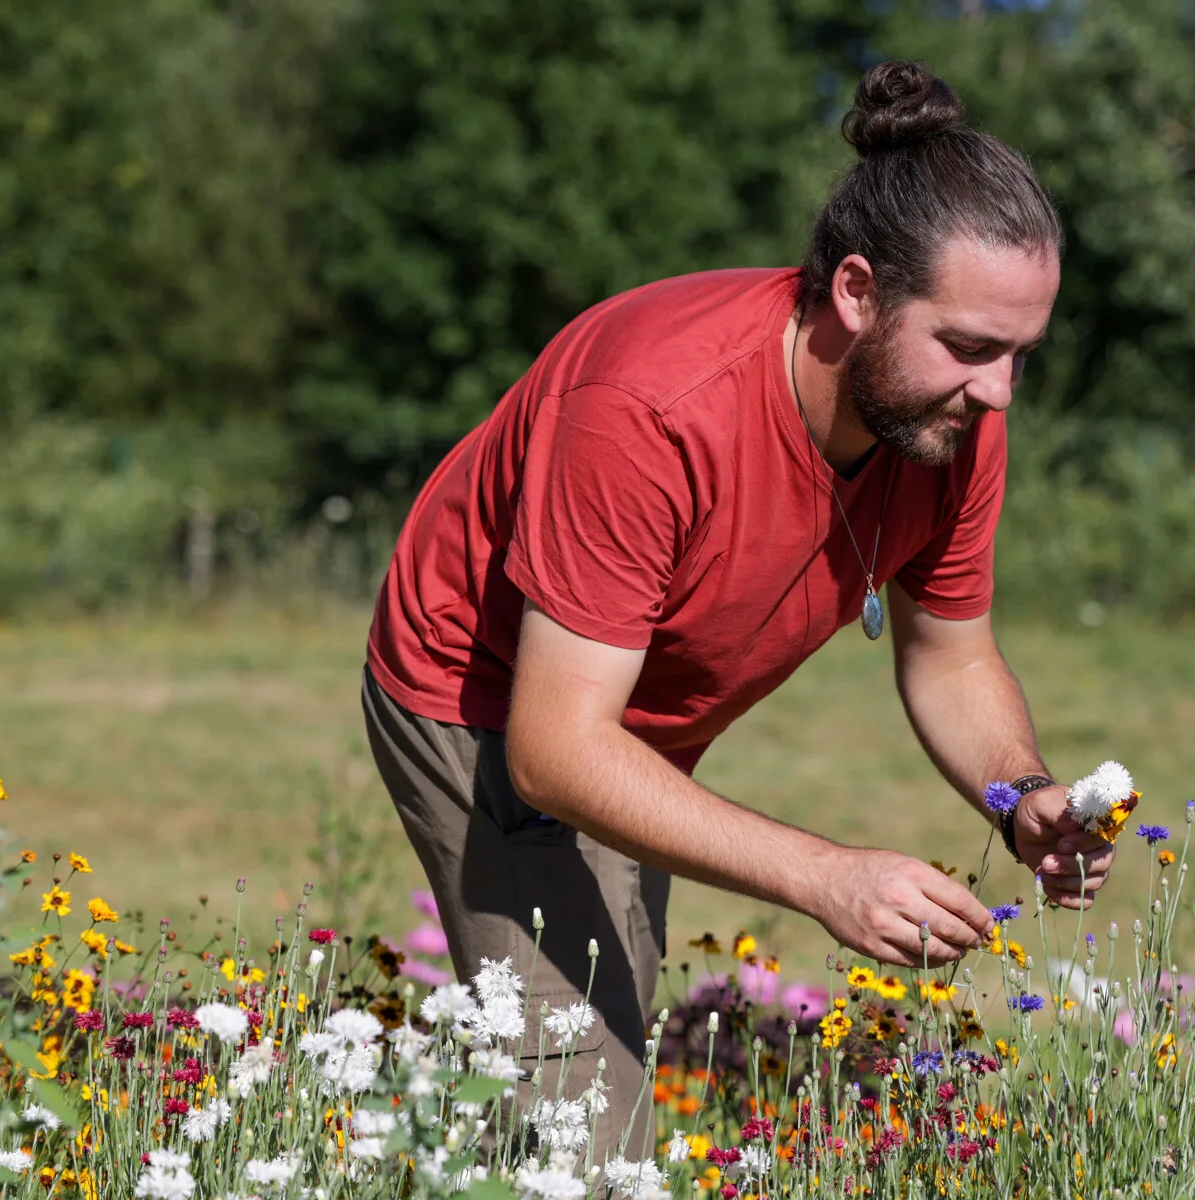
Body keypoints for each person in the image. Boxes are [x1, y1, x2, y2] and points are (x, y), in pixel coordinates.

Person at [362, 59, 1114, 1156]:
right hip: (487, 693)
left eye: (1019, 356)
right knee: (584, 1124)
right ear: (857, 293)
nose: (999, 392)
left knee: (595, 1042)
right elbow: (556, 752)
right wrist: (826, 877)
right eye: (968, 347)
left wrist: (1026, 797)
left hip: (640, 717)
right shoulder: (650, 409)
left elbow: (951, 659)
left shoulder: (950, 424)